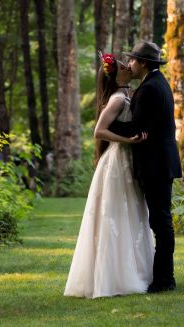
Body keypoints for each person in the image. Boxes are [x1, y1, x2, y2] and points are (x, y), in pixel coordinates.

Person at [64, 54, 154, 299]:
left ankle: (135, 270)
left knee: (132, 213)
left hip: (129, 160)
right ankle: (115, 276)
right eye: (124, 67)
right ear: (116, 75)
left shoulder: (129, 94)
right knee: (115, 213)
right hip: (117, 161)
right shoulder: (116, 99)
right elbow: (99, 131)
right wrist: (127, 140)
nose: (129, 67)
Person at [109, 40, 182, 293]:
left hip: (156, 164)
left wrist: (107, 126)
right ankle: (164, 276)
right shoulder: (156, 83)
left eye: (132, 60)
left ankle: (165, 279)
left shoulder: (150, 88)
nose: (129, 64)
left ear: (142, 63)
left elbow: (137, 128)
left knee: (161, 223)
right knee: (160, 222)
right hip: (159, 162)